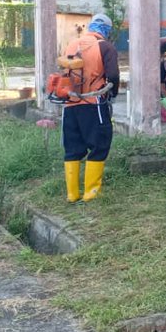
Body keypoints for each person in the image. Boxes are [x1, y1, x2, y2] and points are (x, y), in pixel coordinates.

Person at [61, 14, 120, 203]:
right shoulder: (105, 47)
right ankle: (91, 193)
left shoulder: (72, 45)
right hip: (93, 104)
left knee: (73, 147)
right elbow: (113, 75)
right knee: (99, 144)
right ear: (107, 30)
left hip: (70, 104)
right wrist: (113, 92)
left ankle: (72, 194)